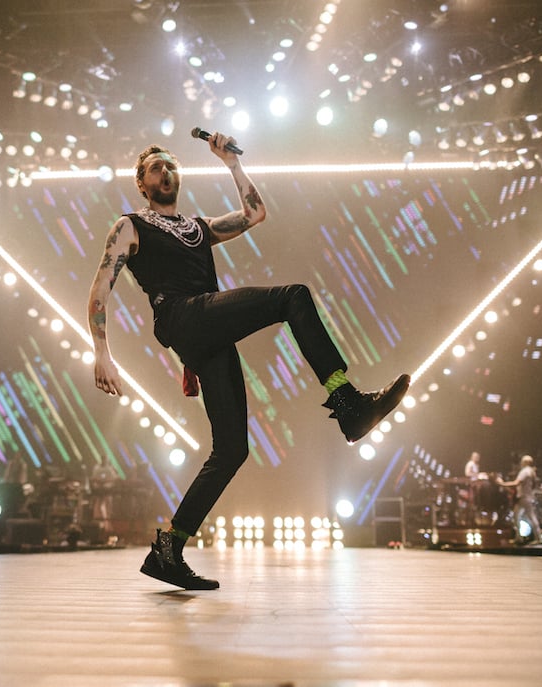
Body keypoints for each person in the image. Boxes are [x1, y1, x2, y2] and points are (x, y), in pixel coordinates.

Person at [86, 133, 410, 590]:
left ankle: (169, 550)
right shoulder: (130, 226)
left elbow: (255, 214)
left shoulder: (198, 228)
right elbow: (101, 287)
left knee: (232, 449)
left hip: (202, 329)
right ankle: (348, 404)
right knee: (292, 297)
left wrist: (231, 163)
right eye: (156, 167)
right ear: (142, 183)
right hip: (183, 316)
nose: (165, 171)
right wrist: (102, 352)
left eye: (171, 165)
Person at [497, 455, 542, 545]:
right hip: (527, 497)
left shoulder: (525, 471)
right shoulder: (532, 472)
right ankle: (519, 537)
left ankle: (537, 538)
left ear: (525, 462)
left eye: (522, 461)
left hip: (523, 498)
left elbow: (516, 483)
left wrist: (502, 484)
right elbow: (533, 485)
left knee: (529, 516)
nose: (521, 463)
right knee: (517, 516)